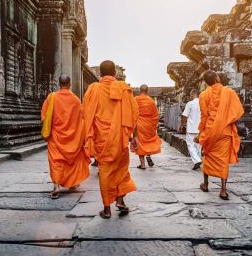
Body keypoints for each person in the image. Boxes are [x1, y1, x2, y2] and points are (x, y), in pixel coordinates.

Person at [83, 60, 138, 219]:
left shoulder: (94, 89)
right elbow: (134, 114)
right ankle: (120, 200)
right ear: (114, 73)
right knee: (121, 169)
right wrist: (134, 136)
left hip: (102, 138)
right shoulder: (124, 89)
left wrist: (87, 137)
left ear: (100, 73)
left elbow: (86, 113)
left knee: (105, 171)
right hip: (120, 138)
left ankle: (107, 208)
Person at [196, 71, 244, 200]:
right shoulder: (229, 92)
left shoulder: (203, 95)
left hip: (210, 131)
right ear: (217, 78)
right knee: (223, 160)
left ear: (206, 82)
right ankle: (223, 190)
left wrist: (201, 131)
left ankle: (206, 184)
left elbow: (204, 116)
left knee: (207, 155)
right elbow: (237, 112)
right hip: (224, 130)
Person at [41, 75, 90, 199]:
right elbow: (82, 120)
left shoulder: (51, 98)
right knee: (71, 161)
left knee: (56, 161)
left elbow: (44, 117)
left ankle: (56, 186)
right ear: (69, 84)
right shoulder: (75, 100)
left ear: (59, 84)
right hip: (73, 137)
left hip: (56, 136)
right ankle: (72, 183)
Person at [134, 84, 162, 169]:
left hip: (139, 124)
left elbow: (132, 112)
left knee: (140, 143)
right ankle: (148, 155)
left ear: (139, 90)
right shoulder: (151, 101)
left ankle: (142, 165)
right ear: (147, 91)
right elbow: (156, 115)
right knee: (148, 142)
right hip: (149, 125)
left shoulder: (135, 100)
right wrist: (154, 125)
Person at [180, 89, 202, 170]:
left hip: (191, 128)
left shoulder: (190, 103)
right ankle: (199, 160)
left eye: (190, 95)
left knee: (190, 145)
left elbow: (185, 116)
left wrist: (182, 124)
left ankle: (197, 161)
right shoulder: (202, 103)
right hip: (200, 128)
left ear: (192, 95)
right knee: (198, 146)